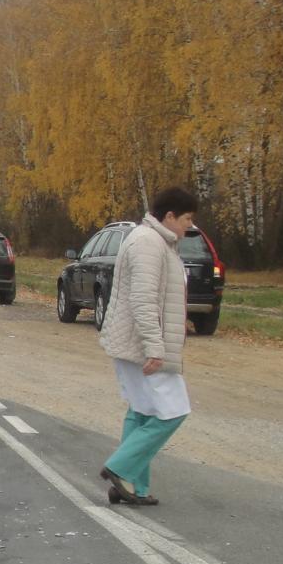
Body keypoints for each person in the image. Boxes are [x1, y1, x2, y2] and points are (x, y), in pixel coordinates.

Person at [97, 184, 199, 507]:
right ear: (168, 216)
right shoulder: (148, 243)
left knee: (142, 411)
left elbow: (158, 295)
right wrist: (156, 347)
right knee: (174, 411)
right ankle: (120, 467)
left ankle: (130, 486)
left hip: (138, 344)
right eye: (186, 219)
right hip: (143, 347)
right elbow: (142, 300)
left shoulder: (157, 241)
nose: (189, 226)